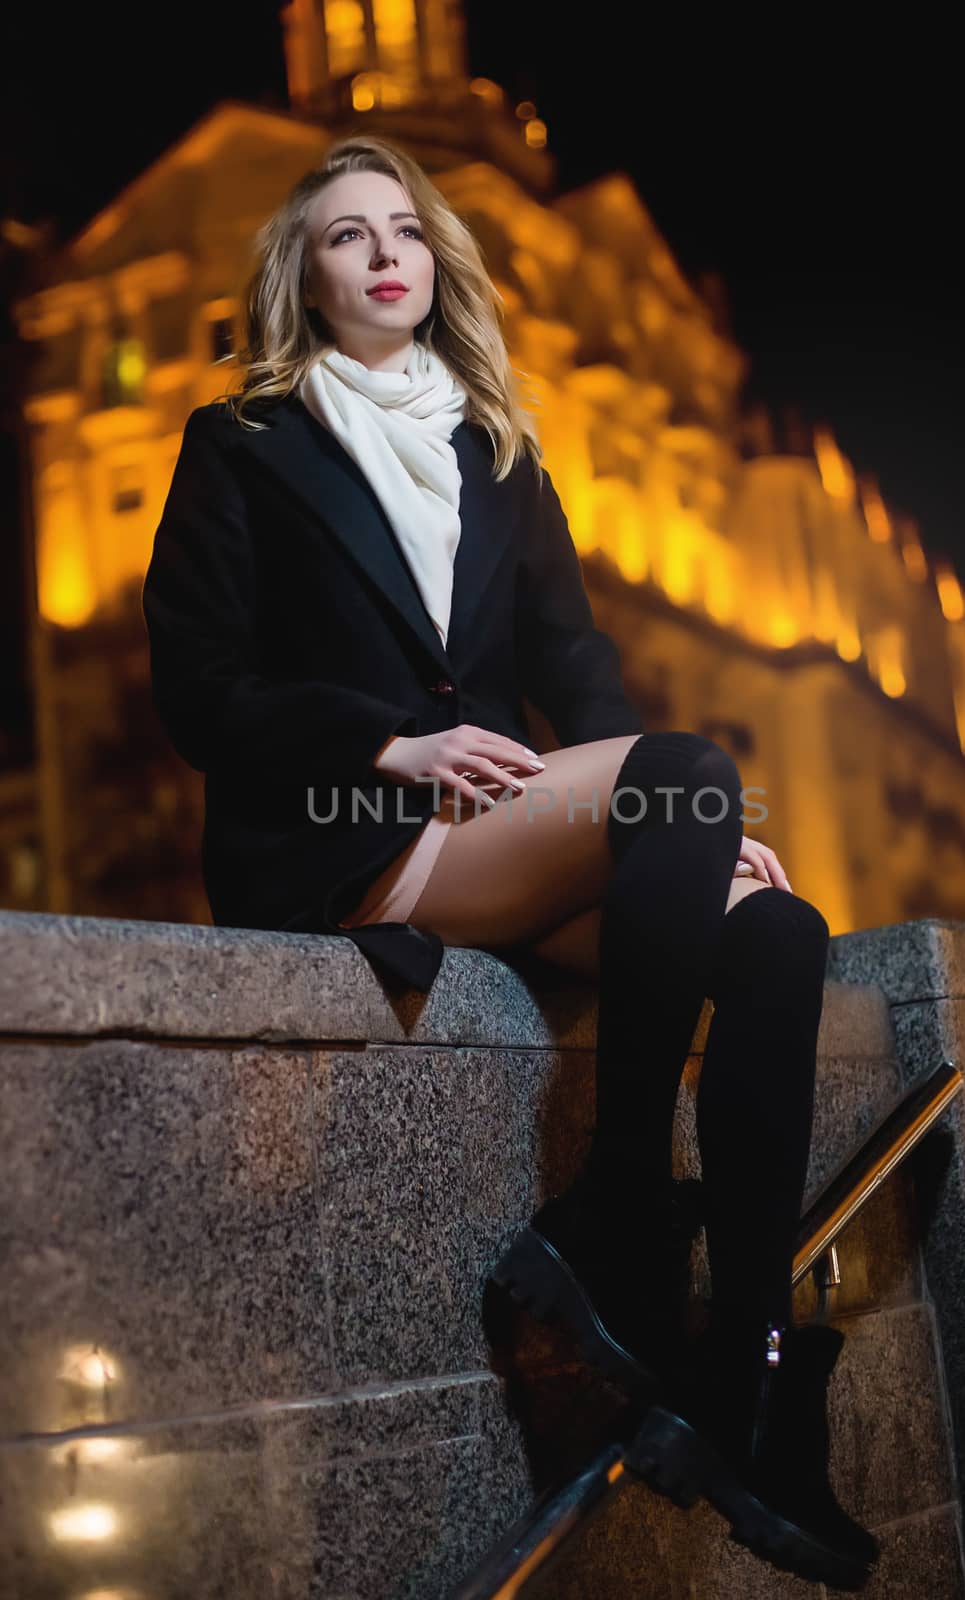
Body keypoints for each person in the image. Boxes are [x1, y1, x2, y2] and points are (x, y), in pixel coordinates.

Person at [141, 132, 879, 1589]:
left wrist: (700, 841)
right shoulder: (240, 442)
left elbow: (577, 669)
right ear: (302, 273)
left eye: (402, 228)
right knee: (685, 778)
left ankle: (745, 1366)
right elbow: (197, 687)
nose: (382, 252)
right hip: (354, 836)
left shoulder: (495, 447)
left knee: (779, 935)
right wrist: (380, 745)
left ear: (439, 261)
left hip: (510, 830)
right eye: (345, 234)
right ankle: (615, 1227)